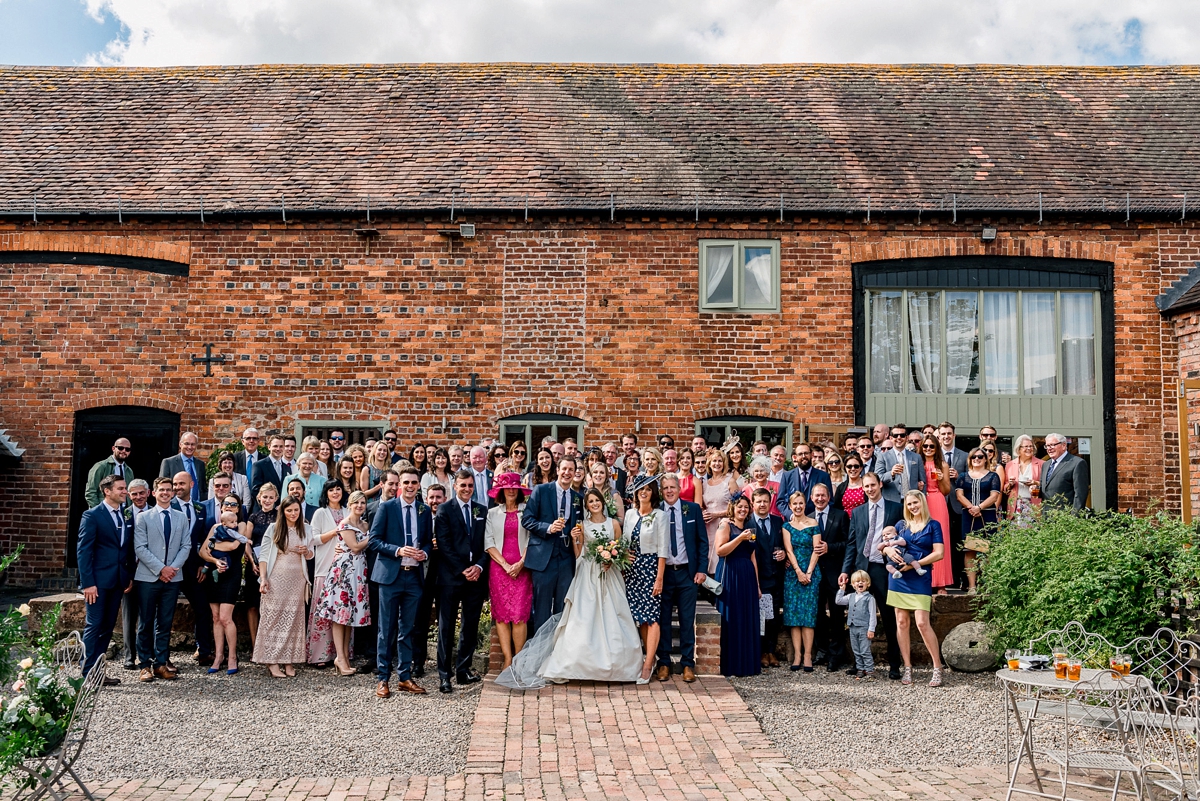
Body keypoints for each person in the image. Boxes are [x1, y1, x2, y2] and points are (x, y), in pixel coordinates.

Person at [496, 488, 643, 688]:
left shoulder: (614, 524)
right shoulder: (581, 525)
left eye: (596, 500)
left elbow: (619, 548)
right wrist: (575, 539)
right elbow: (578, 554)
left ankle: (619, 666)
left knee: (613, 617)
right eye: (590, 501)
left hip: (609, 576)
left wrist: (612, 559)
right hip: (587, 574)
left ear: (602, 502)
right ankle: (571, 665)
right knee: (580, 618)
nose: (594, 504)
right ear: (586, 505)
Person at [368, 466, 432, 697]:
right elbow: (373, 541)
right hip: (390, 576)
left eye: (414, 483)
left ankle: (405, 677)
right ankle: (383, 678)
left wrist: (424, 553)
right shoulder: (386, 508)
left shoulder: (424, 510)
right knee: (386, 629)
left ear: (418, 486)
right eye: (406, 483)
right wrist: (397, 550)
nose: (410, 486)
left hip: (414, 576)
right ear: (399, 485)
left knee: (408, 629)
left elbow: (426, 542)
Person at [841, 471, 903, 680]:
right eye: (865, 486)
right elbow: (852, 543)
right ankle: (858, 664)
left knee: (888, 616)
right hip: (861, 568)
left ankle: (895, 664)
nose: (869, 489)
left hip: (883, 568)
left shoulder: (895, 508)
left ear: (880, 485)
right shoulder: (857, 512)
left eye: (872, 485)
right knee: (856, 618)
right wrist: (845, 570)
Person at [433, 470, 489, 693]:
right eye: (463, 485)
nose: (467, 489)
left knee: (470, 625)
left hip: (475, 578)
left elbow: (487, 542)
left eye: (470, 485)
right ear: (454, 486)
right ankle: (444, 675)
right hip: (450, 578)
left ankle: (463, 670)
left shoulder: (481, 510)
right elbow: (444, 544)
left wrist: (479, 567)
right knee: (446, 627)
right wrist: (462, 569)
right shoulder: (445, 510)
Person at [77, 474, 135, 683]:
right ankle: (86, 674)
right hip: (97, 583)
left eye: (124, 488)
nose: (125, 492)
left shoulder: (126, 516)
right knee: (94, 625)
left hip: (118, 580)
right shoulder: (92, 516)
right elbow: (83, 552)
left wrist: (128, 575)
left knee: (108, 627)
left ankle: (98, 672)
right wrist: (88, 584)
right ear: (107, 491)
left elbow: (126, 548)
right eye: (120, 488)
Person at [886, 490, 947, 687]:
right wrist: (887, 549)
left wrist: (914, 563)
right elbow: (886, 543)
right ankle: (908, 667)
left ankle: (937, 667)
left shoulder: (933, 525)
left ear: (922, 503)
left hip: (920, 576)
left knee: (922, 623)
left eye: (916, 503)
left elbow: (939, 553)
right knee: (901, 622)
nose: (912, 507)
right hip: (898, 577)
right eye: (909, 504)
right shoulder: (900, 525)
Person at [132, 477, 189, 682]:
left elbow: (186, 546)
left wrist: (172, 569)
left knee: (165, 622)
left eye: (169, 490)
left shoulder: (181, 517)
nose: (165, 493)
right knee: (146, 622)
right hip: (148, 577)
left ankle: (161, 663)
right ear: (153, 493)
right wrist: (161, 569)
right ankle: (144, 665)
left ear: (173, 493)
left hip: (173, 578)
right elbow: (140, 547)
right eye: (161, 490)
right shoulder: (144, 518)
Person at [253, 497, 315, 678]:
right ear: (283, 512)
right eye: (289, 511)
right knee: (274, 619)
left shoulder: (306, 528)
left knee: (293, 620)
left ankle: (289, 660)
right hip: (277, 578)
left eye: (296, 510)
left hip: (298, 580)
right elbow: (263, 556)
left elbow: (311, 555)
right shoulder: (273, 529)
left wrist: (306, 552)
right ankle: (272, 661)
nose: (293, 514)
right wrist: (263, 579)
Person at [313, 490, 372, 676]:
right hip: (344, 572)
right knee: (340, 615)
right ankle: (339, 657)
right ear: (350, 505)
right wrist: (373, 537)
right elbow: (354, 547)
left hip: (359, 573)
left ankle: (345, 656)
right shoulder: (345, 524)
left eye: (363, 503)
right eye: (356, 503)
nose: (360, 506)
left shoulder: (365, 524)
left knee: (349, 617)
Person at [655, 474, 707, 682]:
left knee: (687, 620)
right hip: (664, 573)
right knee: (663, 620)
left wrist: (702, 569)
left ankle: (687, 664)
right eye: (665, 488)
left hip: (687, 573)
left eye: (672, 487)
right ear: (661, 490)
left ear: (679, 489)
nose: (669, 491)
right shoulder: (656, 511)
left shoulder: (692, 509)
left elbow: (702, 542)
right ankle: (664, 663)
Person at [522, 457, 584, 633]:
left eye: (571, 470)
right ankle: (539, 654)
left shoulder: (578, 498)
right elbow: (527, 520)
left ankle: (557, 653)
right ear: (557, 470)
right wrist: (548, 527)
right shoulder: (541, 491)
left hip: (566, 558)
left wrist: (575, 533)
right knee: (541, 610)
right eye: (564, 469)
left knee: (562, 609)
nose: (567, 473)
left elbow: (579, 524)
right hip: (543, 558)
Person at [622, 475, 669, 684]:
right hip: (632, 571)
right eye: (640, 489)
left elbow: (663, 550)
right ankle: (650, 656)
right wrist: (624, 558)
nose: (644, 492)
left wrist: (659, 578)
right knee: (639, 616)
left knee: (652, 617)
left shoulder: (660, 516)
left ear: (653, 493)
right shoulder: (630, 514)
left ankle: (648, 664)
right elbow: (624, 542)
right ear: (635, 493)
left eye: (648, 489)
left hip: (651, 569)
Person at [484, 473, 533, 671]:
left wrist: (521, 563)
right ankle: (507, 659)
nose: (512, 490)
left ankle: (519, 659)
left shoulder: (527, 511)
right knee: (502, 616)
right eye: (508, 487)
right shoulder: (492, 513)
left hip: (522, 568)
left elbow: (532, 539)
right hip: (499, 569)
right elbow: (488, 542)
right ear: (501, 491)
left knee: (519, 614)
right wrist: (505, 566)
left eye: (515, 487)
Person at [200, 499, 251, 675]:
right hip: (216, 571)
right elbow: (202, 552)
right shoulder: (215, 527)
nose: (230, 507)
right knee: (215, 617)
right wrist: (214, 559)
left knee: (225, 617)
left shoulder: (240, 525)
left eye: (234, 504)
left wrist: (212, 546)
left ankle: (232, 657)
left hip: (232, 573)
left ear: (239, 508)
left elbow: (233, 545)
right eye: (226, 504)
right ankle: (219, 656)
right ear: (221, 508)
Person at [171, 471, 215, 665]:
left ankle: (204, 650)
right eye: (175, 484)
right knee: (164, 611)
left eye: (181, 483)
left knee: (202, 609)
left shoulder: (200, 508)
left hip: (193, 567)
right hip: (170, 567)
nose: (177, 487)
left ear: (192, 484)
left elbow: (206, 539)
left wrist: (205, 565)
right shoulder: (168, 506)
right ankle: (162, 658)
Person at [713, 495, 760, 677]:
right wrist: (739, 538)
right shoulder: (725, 526)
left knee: (747, 617)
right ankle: (730, 665)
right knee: (731, 617)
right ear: (733, 508)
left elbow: (753, 557)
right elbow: (720, 550)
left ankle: (747, 664)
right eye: (740, 506)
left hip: (747, 576)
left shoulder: (749, 529)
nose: (743, 510)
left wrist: (757, 585)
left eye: (746, 507)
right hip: (730, 574)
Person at [809, 483, 850, 672]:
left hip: (835, 573)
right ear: (811, 497)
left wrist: (829, 548)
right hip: (814, 575)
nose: (820, 499)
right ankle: (822, 651)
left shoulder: (840, 516)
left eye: (823, 495)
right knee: (817, 615)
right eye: (817, 495)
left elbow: (848, 544)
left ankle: (837, 655)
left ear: (829, 497)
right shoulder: (807, 519)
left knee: (836, 615)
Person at [308, 479, 348, 666]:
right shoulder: (320, 513)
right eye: (331, 490)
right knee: (323, 613)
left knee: (342, 614)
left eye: (338, 489)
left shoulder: (348, 511)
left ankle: (341, 654)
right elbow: (313, 539)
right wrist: (334, 532)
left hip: (346, 570)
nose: (335, 492)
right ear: (326, 493)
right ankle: (320, 655)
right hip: (325, 567)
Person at [781, 491, 822, 671]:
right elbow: (789, 551)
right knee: (794, 617)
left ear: (805, 505)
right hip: (793, 574)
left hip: (811, 572)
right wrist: (798, 572)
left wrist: (809, 572)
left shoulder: (813, 523)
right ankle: (797, 654)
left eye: (801, 503)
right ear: (790, 506)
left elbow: (817, 549)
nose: (798, 507)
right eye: (794, 504)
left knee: (808, 616)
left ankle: (807, 656)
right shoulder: (786, 526)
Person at [955, 448, 1003, 594]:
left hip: (987, 514)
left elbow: (994, 496)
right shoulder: (963, 476)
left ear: (985, 459)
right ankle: (972, 586)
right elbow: (959, 495)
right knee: (970, 551)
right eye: (974, 456)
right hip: (969, 515)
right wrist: (971, 507)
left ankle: (987, 585)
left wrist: (979, 507)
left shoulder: (993, 476)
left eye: (980, 456)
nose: (977, 459)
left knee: (987, 550)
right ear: (969, 459)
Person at [747, 487, 785, 667]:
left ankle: (771, 651)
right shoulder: (748, 523)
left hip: (777, 577)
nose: (762, 504)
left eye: (765, 501)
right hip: (757, 578)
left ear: (770, 503)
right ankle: (761, 651)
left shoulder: (778, 522)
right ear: (753, 503)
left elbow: (785, 544)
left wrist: (784, 554)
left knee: (774, 617)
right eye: (759, 501)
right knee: (760, 616)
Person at [244, 482, 279, 650]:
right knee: (252, 605)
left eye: (271, 497)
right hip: (254, 566)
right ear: (259, 498)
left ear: (276, 499)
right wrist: (251, 561)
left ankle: (271, 646)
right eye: (265, 497)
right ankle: (255, 645)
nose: (267, 500)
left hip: (274, 566)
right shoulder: (253, 517)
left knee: (272, 606)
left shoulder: (280, 516)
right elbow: (246, 542)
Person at [917, 435, 954, 594]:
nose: (928, 449)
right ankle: (925, 579)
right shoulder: (918, 463)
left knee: (940, 539)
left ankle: (941, 583)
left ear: (936, 448)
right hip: (922, 501)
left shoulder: (943, 465)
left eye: (932, 446)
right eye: (925, 446)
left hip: (938, 501)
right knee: (922, 538)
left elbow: (946, 491)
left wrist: (940, 479)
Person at [936, 422, 969, 587]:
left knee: (957, 542)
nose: (946, 436)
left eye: (949, 433)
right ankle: (940, 579)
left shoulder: (964, 456)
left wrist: (959, 476)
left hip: (957, 504)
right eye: (943, 434)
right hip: (939, 502)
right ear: (939, 436)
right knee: (940, 541)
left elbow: (971, 478)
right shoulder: (934, 455)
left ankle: (956, 579)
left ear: (954, 435)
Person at [701, 449, 741, 576]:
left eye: (720, 461)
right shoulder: (704, 484)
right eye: (714, 461)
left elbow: (738, 507)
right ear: (709, 463)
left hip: (724, 525)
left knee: (721, 560)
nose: (717, 464)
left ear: (724, 464)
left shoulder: (730, 481)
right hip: (708, 527)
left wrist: (716, 515)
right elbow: (702, 505)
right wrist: (703, 513)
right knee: (708, 559)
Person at [835, 570, 877, 679]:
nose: (860, 583)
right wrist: (842, 589)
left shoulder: (870, 598)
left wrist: (871, 629)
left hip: (864, 628)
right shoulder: (851, 596)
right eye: (857, 581)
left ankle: (869, 670)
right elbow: (838, 601)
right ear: (853, 584)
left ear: (868, 583)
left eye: (863, 581)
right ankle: (860, 669)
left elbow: (873, 615)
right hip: (852, 627)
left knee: (865, 650)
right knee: (856, 650)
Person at [777, 442, 829, 518]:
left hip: (816, 521)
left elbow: (829, 500)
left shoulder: (823, 476)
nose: (803, 456)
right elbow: (780, 502)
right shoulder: (787, 476)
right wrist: (791, 515)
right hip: (793, 521)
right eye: (800, 454)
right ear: (795, 457)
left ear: (812, 455)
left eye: (806, 453)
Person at [1041, 433, 1091, 511]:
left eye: (1052, 445)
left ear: (1064, 445)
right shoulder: (1045, 465)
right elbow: (1047, 489)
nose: (1049, 448)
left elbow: (1080, 494)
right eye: (1047, 446)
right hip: (1047, 517)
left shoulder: (1077, 463)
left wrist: (1074, 518)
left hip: (1066, 517)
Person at [1002, 434, 1043, 523]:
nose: (1029, 448)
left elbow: (1047, 484)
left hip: (1034, 504)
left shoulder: (1041, 464)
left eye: (1031, 446)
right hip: (1015, 505)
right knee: (1015, 534)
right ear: (1018, 449)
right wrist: (1010, 484)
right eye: (1026, 446)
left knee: (1034, 533)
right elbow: (1005, 488)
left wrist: (1035, 483)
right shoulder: (1010, 465)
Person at [877, 427, 924, 503]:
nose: (899, 438)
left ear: (907, 437)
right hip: (891, 501)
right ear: (891, 438)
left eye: (902, 435)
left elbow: (922, 481)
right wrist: (891, 474)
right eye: (896, 435)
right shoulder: (882, 456)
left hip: (912, 501)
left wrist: (922, 500)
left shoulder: (916, 457)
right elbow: (878, 478)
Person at [86, 437, 135, 508]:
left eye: (127, 449)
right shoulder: (101, 466)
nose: (124, 451)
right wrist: (99, 511)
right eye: (121, 448)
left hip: (123, 511)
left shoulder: (129, 471)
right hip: (105, 510)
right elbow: (90, 492)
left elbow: (129, 493)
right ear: (113, 448)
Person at [160, 432, 207, 503]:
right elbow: (162, 486)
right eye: (187, 444)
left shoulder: (200, 464)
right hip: (176, 506)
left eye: (193, 444)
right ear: (180, 444)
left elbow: (203, 488)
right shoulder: (169, 462)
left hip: (197, 506)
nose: (190, 447)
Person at [251, 434, 293, 514]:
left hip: (281, 511)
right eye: (275, 446)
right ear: (269, 447)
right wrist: (272, 505)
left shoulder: (287, 468)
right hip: (263, 511)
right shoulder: (259, 465)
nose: (278, 449)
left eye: (281, 446)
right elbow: (255, 489)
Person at [233, 427, 262, 492]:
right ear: (243, 441)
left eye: (254, 438)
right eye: (248, 438)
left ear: (258, 441)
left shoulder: (265, 459)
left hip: (260, 499)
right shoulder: (234, 458)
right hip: (239, 498)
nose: (251, 441)